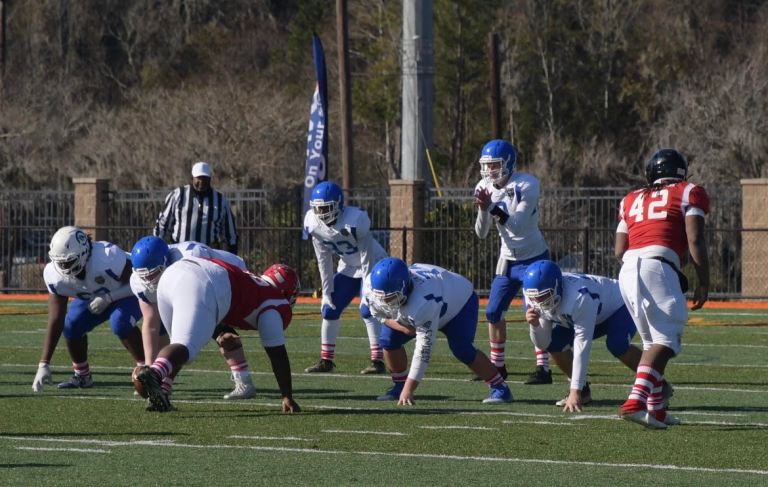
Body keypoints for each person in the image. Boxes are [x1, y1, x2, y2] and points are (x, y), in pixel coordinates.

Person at [615, 148, 709, 429]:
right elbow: (696, 239)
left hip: (628, 268)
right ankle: (635, 401)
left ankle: (655, 409)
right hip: (657, 265)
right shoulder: (689, 191)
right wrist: (704, 280)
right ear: (681, 172)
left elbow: (619, 249)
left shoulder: (630, 198)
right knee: (667, 341)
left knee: (651, 342)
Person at [136, 256, 301, 413]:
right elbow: (277, 354)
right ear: (287, 293)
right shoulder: (273, 302)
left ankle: (161, 393)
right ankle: (154, 373)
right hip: (201, 282)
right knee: (185, 346)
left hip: (172, 274)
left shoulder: (252, 282)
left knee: (177, 345)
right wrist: (287, 396)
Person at [522, 260, 672, 412]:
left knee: (617, 344)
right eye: (535, 297)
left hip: (618, 305)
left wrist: (575, 391)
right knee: (554, 343)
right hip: (583, 314)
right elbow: (543, 343)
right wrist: (535, 326)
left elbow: (582, 345)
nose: (538, 302)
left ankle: (657, 383)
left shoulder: (579, 298)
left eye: (543, 296)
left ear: (557, 287)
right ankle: (584, 391)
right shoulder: (533, 297)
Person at [364, 257, 513, 405]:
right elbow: (375, 313)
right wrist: (403, 328)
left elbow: (424, 351)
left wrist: (410, 389)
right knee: (388, 340)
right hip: (436, 294)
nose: (385, 302)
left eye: (390, 298)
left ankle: (500, 388)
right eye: (381, 298)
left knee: (462, 348)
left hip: (459, 302)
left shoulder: (423, 302)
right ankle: (399, 385)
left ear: (404, 288)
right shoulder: (372, 286)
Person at [130, 236, 257, 400]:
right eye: (143, 276)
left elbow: (203, 287)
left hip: (222, 277)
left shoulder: (190, 257)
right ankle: (164, 381)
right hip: (179, 286)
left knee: (219, 334)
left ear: (166, 262)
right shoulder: (140, 280)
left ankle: (244, 382)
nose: (147, 281)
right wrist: (148, 364)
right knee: (179, 336)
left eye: (152, 274)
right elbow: (150, 322)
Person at [473, 139, 552, 384]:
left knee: (535, 312)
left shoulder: (527, 184)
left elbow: (517, 225)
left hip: (534, 259)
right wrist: (484, 210)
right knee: (493, 312)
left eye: (495, 164)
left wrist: (492, 207)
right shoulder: (483, 186)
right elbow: (481, 232)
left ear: (508, 163)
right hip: (507, 259)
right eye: (487, 165)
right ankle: (498, 367)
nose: (490, 170)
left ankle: (544, 368)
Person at [32, 226, 144, 392]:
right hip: (94, 296)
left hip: (127, 291)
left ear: (83, 253)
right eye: (59, 262)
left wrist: (109, 298)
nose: (63, 267)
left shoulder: (107, 256)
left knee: (119, 322)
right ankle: (82, 375)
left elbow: (139, 282)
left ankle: (147, 371)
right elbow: (56, 318)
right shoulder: (54, 275)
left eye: (68, 261)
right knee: (71, 325)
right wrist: (44, 363)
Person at [303, 181, 388, 375]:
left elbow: (367, 256)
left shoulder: (355, 220)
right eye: (318, 208)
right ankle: (326, 360)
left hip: (374, 266)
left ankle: (377, 361)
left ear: (338, 204)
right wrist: (326, 291)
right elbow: (323, 259)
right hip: (349, 267)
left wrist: (367, 290)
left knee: (368, 309)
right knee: (329, 308)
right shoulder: (313, 223)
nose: (322, 213)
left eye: (326, 208)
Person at [153, 161, 239, 254]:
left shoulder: (220, 200)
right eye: (198, 178)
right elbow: (162, 225)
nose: (201, 182)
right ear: (192, 178)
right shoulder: (178, 195)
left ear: (210, 179)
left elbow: (229, 234)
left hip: (208, 255)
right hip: (180, 253)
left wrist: (230, 256)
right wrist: (157, 250)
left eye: (205, 178)